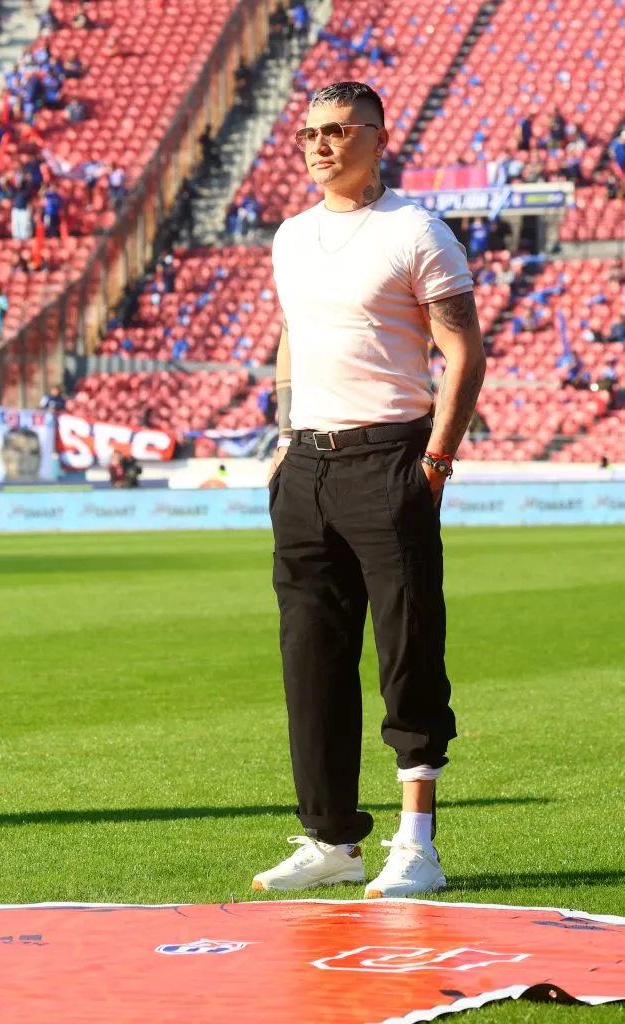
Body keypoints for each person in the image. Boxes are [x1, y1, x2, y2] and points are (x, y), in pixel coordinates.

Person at [253, 81, 485, 898]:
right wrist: (282, 441)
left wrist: (435, 460)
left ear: (377, 138)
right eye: (309, 132)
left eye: (338, 130)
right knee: (309, 658)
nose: (320, 145)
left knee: (407, 654)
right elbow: (291, 336)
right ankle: (331, 839)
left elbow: (462, 350)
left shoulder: (415, 229)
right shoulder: (289, 235)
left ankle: (416, 845)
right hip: (305, 467)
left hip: (390, 455)